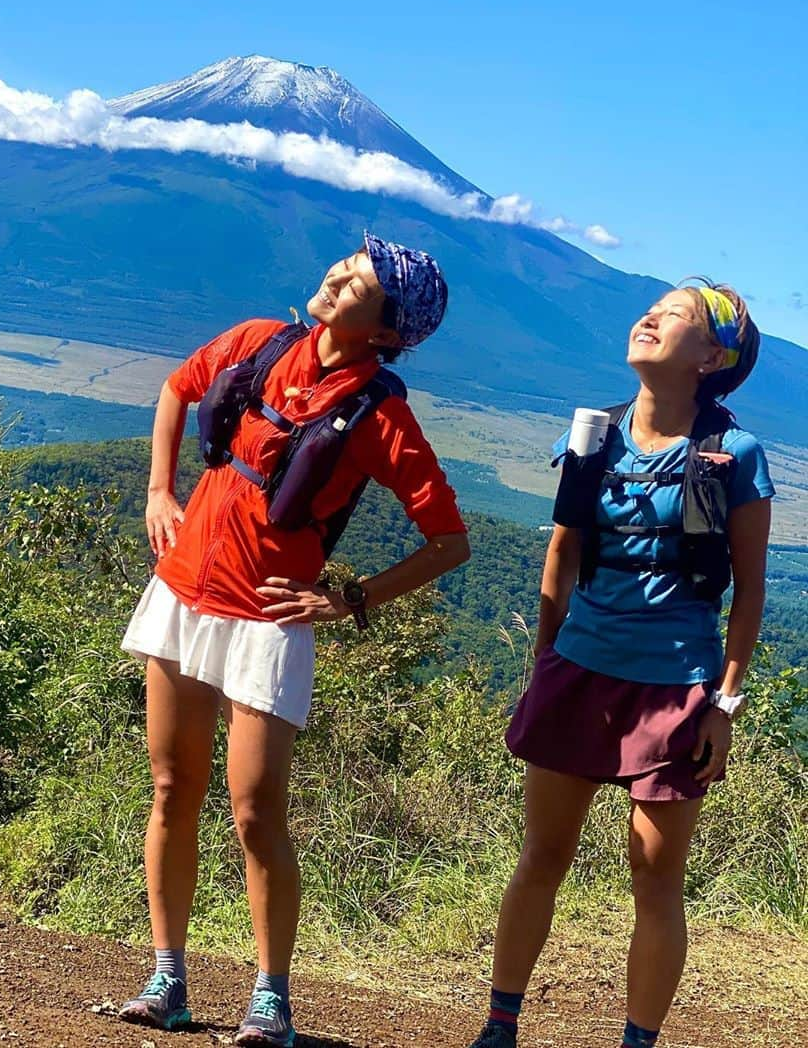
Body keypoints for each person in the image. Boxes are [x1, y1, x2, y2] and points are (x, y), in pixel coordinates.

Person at [118, 232, 471, 1046]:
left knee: (254, 811)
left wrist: (351, 599)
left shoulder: (382, 415)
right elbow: (178, 388)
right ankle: (168, 978)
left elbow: (450, 540)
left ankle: (271, 997)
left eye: (361, 281)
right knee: (172, 788)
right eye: (349, 263)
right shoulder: (257, 342)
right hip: (182, 591)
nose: (340, 274)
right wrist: (159, 490)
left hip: (267, 622)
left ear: (386, 330)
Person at [465, 281, 773, 1048]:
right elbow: (562, 552)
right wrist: (545, 660)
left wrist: (723, 707)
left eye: (675, 315)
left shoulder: (734, 455)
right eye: (654, 306)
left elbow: (749, 594)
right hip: (580, 669)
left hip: (678, 690)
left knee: (655, 878)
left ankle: (637, 1041)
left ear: (711, 356)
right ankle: (499, 1028)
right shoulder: (594, 434)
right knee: (542, 854)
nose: (650, 316)